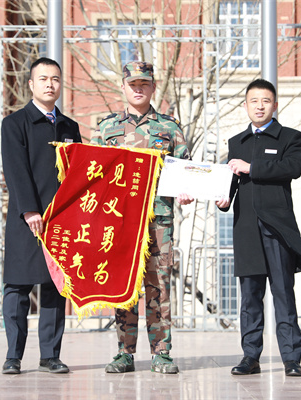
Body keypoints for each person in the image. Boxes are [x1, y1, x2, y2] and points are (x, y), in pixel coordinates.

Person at [90, 61, 193, 374]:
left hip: (158, 222)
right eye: (133, 84)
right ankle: (124, 352)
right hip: (120, 222)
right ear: (123, 87)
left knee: (158, 286)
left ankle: (162, 352)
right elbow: (93, 175)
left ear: (153, 87)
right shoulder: (106, 128)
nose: (138, 89)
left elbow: (186, 169)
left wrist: (187, 189)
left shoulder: (170, 128)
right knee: (124, 286)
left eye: (144, 84)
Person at [216, 79, 301, 377]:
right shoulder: (236, 142)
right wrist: (222, 199)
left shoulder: (290, 137)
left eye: (265, 101)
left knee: (283, 294)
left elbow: (292, 168)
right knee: (250, 297)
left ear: (275, 105)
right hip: (246, 230)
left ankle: (291, 358)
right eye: (254, 101)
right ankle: (250, 357)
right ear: (245, 105)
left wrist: (252, 168)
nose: (259, 106)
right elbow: (230, 183)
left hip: (277, 229)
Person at [0, 57, 82, 375]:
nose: (50, 84)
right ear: (31, 84)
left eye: (56, 79)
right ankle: (13, 356)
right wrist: (30, 209)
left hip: (61, 221)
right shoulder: (15, 123)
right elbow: (15, 170)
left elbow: (79, 174)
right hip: (26, 219)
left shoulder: (70, 127)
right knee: (17, 287)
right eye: (44, 79)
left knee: (54, 287)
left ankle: (50, 355)